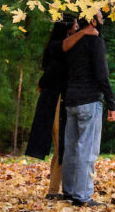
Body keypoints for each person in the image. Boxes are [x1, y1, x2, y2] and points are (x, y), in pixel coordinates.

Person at [23, 18, 98, 199]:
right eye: (74, 25)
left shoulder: (66, 48)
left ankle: (65, 188)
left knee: (66, 146)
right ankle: (54, 190)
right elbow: (62, 48)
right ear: (66, 28)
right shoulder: (57, 47)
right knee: (62, 145)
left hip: (64, 99)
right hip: (56, 101)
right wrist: (84, 33)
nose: (77, 28)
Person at [55, 11, 115, 206]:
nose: (103, 21)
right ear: (92, 21)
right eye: (100, 18)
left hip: (71, 100)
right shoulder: (95, 43)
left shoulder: (71, 44)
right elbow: (102, 75)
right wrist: (111, 103)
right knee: (88, 150)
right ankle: (82, 196)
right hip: (89, 101)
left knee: (72, 148)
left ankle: (69, 191)